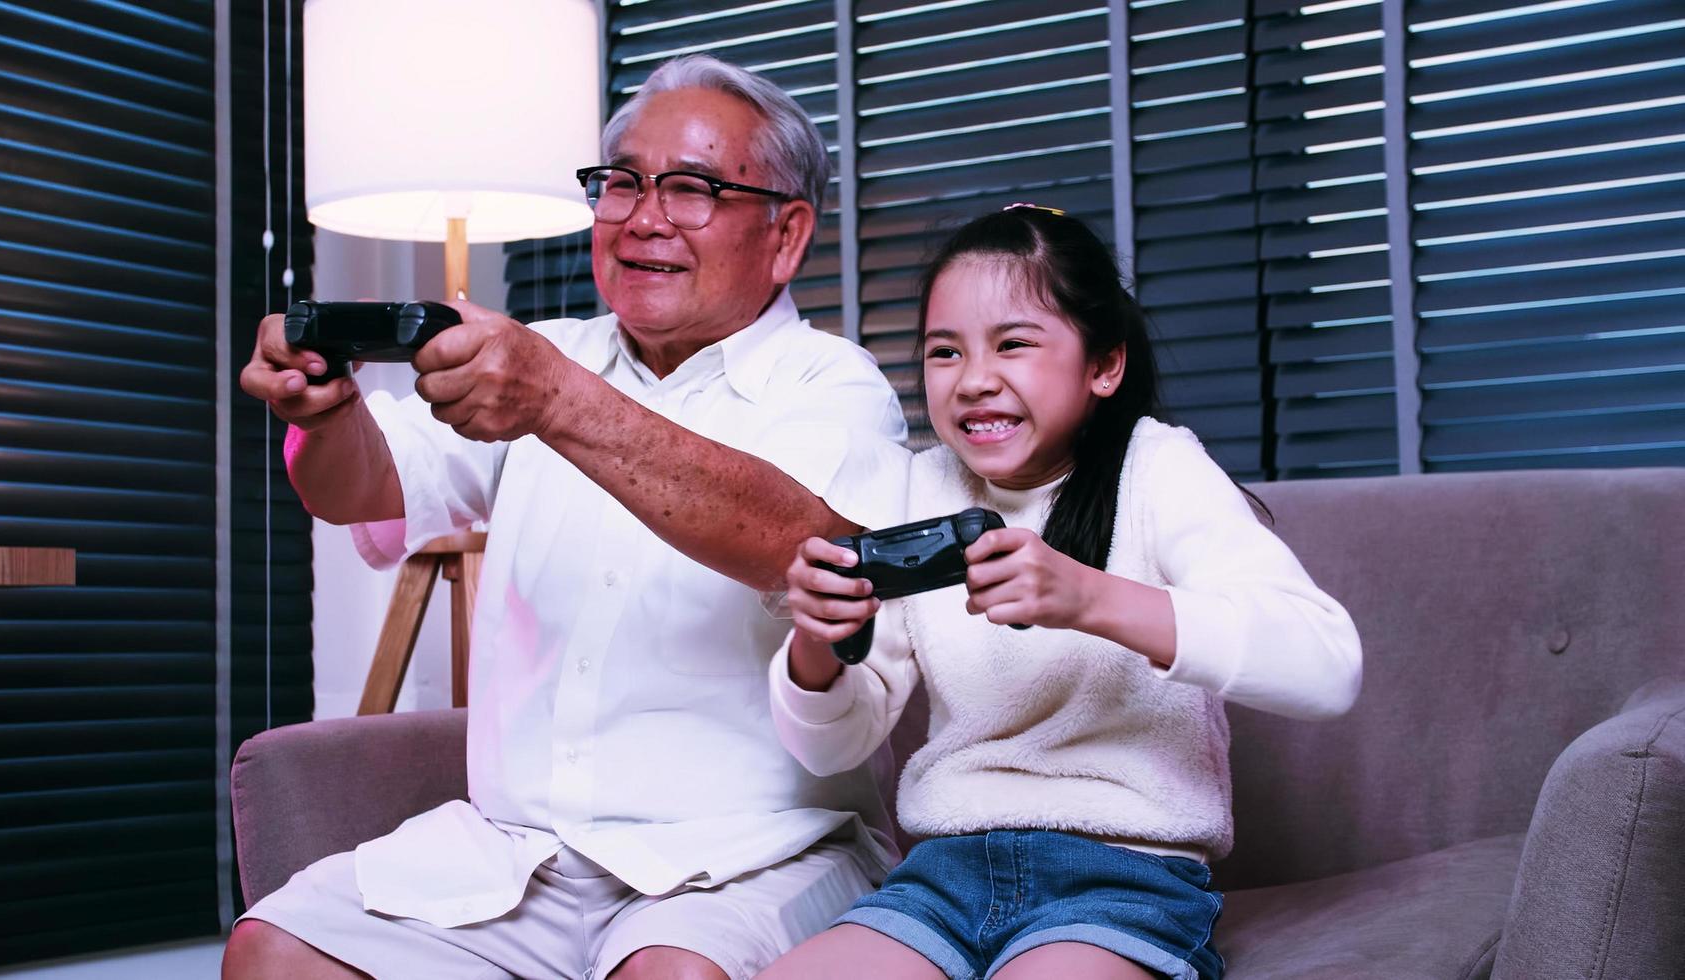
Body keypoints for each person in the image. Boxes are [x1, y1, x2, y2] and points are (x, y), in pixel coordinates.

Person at [224, 56, 913, 980]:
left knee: (666, 973)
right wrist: (324, 412)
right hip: (519, 858)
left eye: (693, 188)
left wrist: (557, 400)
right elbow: (362, 490)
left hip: (751, 856)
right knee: (271, 951)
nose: (644, 218)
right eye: (621, 183)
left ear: (786, 234)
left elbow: (804, 543)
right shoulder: (548, 354)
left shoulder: (833, 384)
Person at [760, 206, 1363, 980]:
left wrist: (1088, 598)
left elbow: (1327, 664)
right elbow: (834, 745)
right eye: (945, 352)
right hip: (940, 879)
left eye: (1013, 344)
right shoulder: (923, 487)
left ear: (1103, 365)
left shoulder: (1157, 469)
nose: (975, 380)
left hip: (1122, 878)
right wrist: (816, 645)